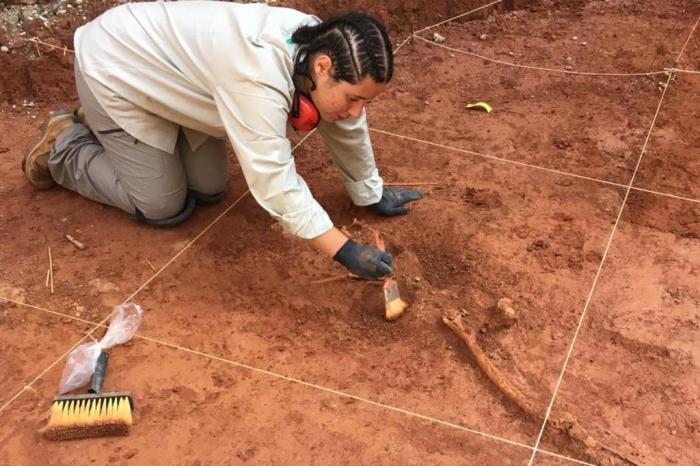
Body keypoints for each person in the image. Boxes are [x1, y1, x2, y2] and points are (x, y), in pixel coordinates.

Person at [21, 1, 422, 280]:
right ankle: (66, 144)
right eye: (353, 99)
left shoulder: (325, 45)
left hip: (178, 84)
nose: (355, 111)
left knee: (210, 189)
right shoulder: (256, 74)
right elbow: (274, 182)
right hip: (116, 68)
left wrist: (369, 191)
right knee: (163, 206)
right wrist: (345, 250)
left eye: (364, 102)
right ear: (323, 67)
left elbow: (348, 125)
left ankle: (125, 139)